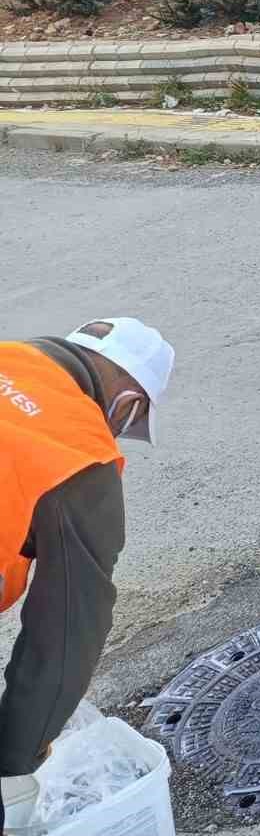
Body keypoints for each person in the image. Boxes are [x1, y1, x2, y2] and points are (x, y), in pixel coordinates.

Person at [1, 319, 174, 834]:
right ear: (127, 404)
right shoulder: (77, 452)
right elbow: (67, 633)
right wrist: (14, 759)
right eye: (126, 422)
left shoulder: (11, 358)